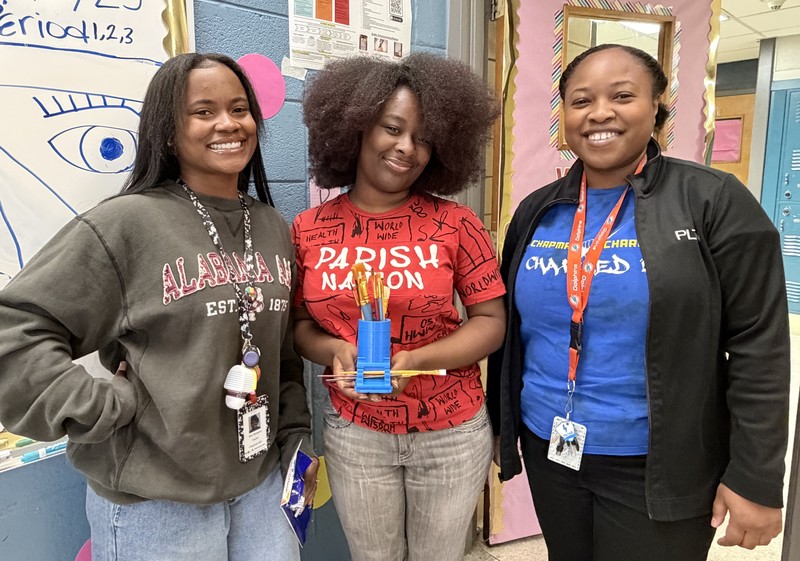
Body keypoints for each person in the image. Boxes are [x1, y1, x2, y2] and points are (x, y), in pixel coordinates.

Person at [0, 53, 318, 561]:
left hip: (260, 479)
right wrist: (106, 406)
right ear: (168, 132)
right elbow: (14, 332)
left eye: (239, 108)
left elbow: (279, 353)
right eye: (204, 111)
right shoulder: (127, 224)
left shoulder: (274, 228)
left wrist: (295, 437)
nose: (228, 124)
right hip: (157, 501)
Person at [487, 43, 790, 561]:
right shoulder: (538, 211)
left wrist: (755, 476)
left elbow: (759, 346)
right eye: (581, 100)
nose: (599, 113)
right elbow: (513, 332)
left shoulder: (713, 201)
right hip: (551, 448)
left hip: (657, 463)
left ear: (656, 106)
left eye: (622, 96)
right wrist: (504, 426)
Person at [292, 53, 505, 561]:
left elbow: (492, 323)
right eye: (392, 128)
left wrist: (417, 360)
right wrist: (335, 350)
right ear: (357, 127)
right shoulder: (307, 229)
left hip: (451, 431)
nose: (407, 148)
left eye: (425, 137)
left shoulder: (458, 224)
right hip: (356, 432)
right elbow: (300, 326)